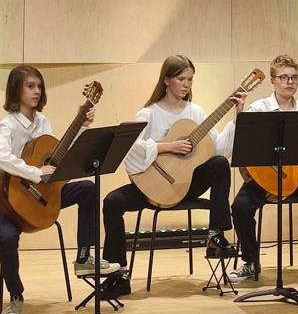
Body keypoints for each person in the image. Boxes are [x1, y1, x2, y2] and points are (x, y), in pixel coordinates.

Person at [0, 66, 114, 314]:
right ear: (16, 89)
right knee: (9, 238)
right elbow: (2, 158)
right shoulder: (8, 124)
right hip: (7, 200)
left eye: (39, 86)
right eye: (30, 86)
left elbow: (58, 155)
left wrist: (81, 126)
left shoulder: (42, 122)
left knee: (87, 188)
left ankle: (84, 256)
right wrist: (36, 172)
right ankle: (16, 294)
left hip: (41, 196)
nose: (37, 91)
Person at [101, 55, 241, 273]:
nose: (186, 84)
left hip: (186, 186)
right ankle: (117, 272)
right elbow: (129, 147)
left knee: (220, 163)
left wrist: (238, 115)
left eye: (190, 79)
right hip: (153, 188)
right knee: (112, 202)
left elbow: (220, 148)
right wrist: (166, 147)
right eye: (181, 79)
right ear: (166, 80)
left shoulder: (195, 112)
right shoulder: (149, 113)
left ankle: (215, 236)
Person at [227, 54, 298, 284]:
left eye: (294, 77)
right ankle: (251, 262)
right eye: (284, 77)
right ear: (273, 81)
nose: (290, 82)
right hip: (264, 180)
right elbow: (244, 145)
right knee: (240, 207)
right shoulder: (258, 109)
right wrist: (239, 114)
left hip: (295, 179)